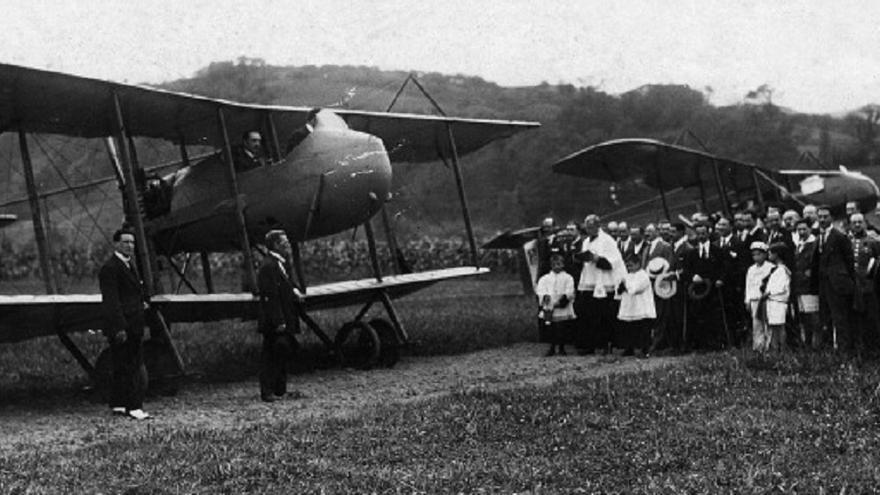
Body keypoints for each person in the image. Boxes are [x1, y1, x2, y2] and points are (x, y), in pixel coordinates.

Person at [99, 228, 150, 420]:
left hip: (133, 322)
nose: (129, 246)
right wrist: (119, 327)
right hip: (123, 326)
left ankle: (118, 403)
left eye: (132, 243)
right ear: (116, 244)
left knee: (122, 365)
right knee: (132, 366)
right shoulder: (110, 268)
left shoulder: (129, 266)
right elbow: (111, 302)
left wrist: (141, 302)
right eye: (125, 242)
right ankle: (134, 407)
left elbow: (130, 293)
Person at [257, 230, 304, 402]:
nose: (288, 246)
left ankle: (279, 390)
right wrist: (279, 321)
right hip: (275, 321)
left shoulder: (280, 264)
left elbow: (286, 283)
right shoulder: (268, 266)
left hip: (283, 317)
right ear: (276, 245)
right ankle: (268, 391)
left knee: (280, 352)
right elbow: (270, 296)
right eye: (284, 243)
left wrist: (294, 290)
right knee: (271, 354)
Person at [574, 214, 626, 354]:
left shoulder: (607, 241)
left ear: (598, 226)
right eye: (587, 227)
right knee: (588, 315)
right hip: (589, 282)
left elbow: (612, 263)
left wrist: (595, 258)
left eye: (592, 227)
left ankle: (606, 344)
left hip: (604, 283)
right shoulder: (586, 241)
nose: (589, 230)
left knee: (604, 316)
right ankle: (590, 345)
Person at [815, 206, 857, 353]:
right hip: (825, 285)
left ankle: (846, 351)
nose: (822, 220)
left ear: (831, 217)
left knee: (841, 319)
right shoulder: (819, 237)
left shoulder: (839, 236)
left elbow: (849, 261)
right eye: (819, 217)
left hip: (838, 285)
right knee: (826, 319)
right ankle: (831, 350)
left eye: (825, 216)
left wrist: (846, 281)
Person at [849, 213, 880, 355]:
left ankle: (873, 349)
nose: (857, 225)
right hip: (853, 287)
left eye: (859, 222)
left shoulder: (873, 242)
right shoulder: (847, 241)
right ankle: (858, 349)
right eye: (854, 222)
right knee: (855, 318)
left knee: (871, 318)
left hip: (869, 286)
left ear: (865, 224)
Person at [536, 253, 576, 356]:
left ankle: (562, 348)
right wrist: (545, 297)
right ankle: (552, 347)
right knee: (551, 328)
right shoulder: (545, 278)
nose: (556, 266)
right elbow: (540, 290)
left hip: (562, 307)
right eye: (554, 264)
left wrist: (563, 301)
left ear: (563, 265)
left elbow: (570, 291)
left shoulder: (568, 278)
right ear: (551, 265)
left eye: (559, 264)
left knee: (561, 328)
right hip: (549, 307)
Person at [616, 257, 656, 357]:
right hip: (630, 307)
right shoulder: (627, 275)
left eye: (631, 265)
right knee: (629, 329)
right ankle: (629, 348)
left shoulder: (643, 276)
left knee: (643, 330)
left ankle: (645, 350)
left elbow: (636, 289)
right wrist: (621, 287)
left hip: (642, 307)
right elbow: (620, 288)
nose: (629, 268)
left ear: (638, 264)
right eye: (627, 266)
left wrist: (626, 286)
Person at [792, 219, 820, 348]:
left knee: (813, 315)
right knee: (804, 316)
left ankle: (817, 344)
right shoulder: (799, 244)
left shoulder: (814, 243)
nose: (802, 232)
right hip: (800, 286)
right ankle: (807, 343)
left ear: (810, 229)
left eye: (804, 229)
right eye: (799, 230)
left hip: (810, 286)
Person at [745, 242, 774, 352]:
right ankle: (758, 346)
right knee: (756, 323)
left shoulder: (770, 267)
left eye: (759, 254)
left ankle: (768, 346)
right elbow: (748, 285)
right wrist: (747, 300)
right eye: (754, 255)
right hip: (754, 299)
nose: (756, 257)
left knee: (767, 323)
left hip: (765, 299)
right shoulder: (751, 269)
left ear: (765, 255)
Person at [764, 243, 792, 352]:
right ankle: (775, 348)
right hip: (773, 301)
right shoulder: (776, 269)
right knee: (773, 327)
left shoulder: (782, 270)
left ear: (777, 255)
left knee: (779, 327)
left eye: (771, 253)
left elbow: (780, 288)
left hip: (778, 301)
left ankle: (782, 349)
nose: (769, 255)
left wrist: (767, 293)